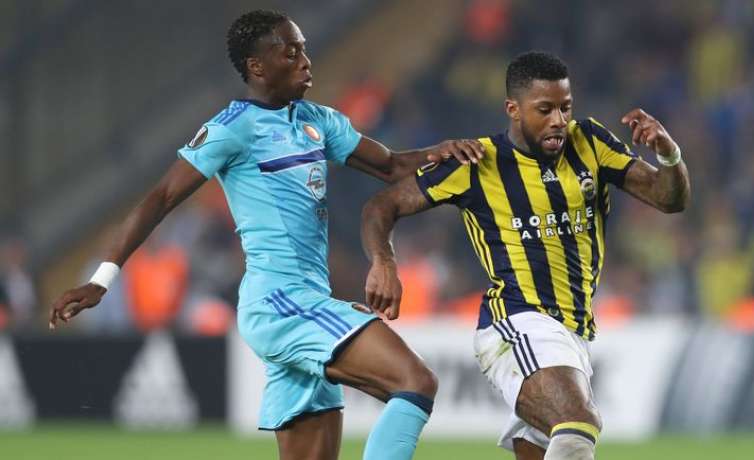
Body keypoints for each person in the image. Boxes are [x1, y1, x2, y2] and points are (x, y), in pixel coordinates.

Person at [49, 10, 485, 460]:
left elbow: (391, 165)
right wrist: (101, 279)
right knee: (415, 382)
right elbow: (160, 198)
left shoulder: (319, 121)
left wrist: (441, 151)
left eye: (304, 50)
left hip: (306, 300)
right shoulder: (232, 128)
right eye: (290, 53)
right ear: (257, 66)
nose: (305, 61)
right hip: (281, 302)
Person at [360, 51, 690, 460]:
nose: (559, 120)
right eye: (545, 109)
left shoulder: (590, 142)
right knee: (578, 423)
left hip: (575, 331)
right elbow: (381, 206)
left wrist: (669, 154)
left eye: (565, 107)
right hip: (517, 321)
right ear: (513, 109)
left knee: (549, 444)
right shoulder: (477, 161)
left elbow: (669, 199)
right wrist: (384, 262)